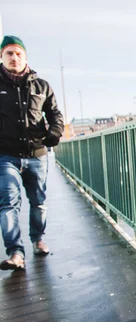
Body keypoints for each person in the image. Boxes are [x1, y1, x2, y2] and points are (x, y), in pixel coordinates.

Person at [0, 35, 63, 270]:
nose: (14, 57)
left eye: (18, 54)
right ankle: (15, 252)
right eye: (9, 53)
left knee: (38, 202)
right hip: (5, 155)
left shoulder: (41, 85)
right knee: (8, 203)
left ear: (25, 57)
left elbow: (55, 114)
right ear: (2, 57)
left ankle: (38, 239)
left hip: (37, 154)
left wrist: (55, 132)